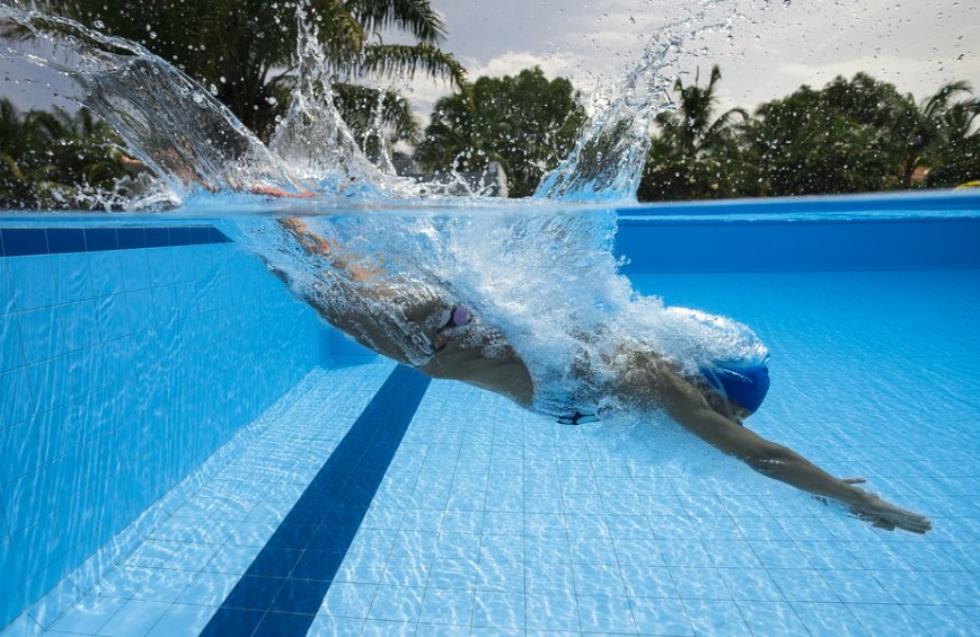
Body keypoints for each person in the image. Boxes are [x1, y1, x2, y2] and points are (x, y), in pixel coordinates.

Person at [278, 217, 932, 534]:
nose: (725, 428)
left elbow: (753, 458)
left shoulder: (644, 372)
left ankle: (272, 203)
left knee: (316, 268)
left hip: (447, 325)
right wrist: (863, 500)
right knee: (299, 273)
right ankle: (244, 199)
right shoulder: (661, 381)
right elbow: (759, 456)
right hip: (438, 336)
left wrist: (823, 494)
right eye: (730, 414)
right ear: (714, 389)